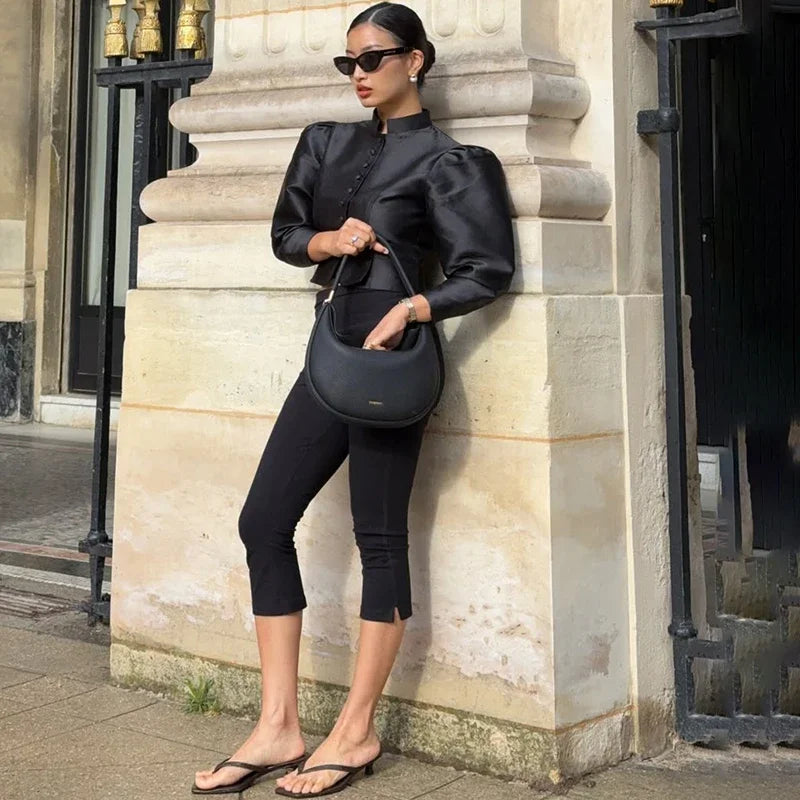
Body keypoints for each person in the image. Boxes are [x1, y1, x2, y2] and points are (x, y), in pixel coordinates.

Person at [192, 2, 515, 797]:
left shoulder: (453, 161)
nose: (360, 75)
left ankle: (358, 729)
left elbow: (488, 269)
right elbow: (286, 233)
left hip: (393, 358)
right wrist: (328, 241)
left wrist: (415, 307)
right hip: (330, 351)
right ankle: (277, 727)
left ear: (418, 61)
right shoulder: (324, 142)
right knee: (262, 520)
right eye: (349, 63)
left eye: (374, 59)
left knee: (379, 538)